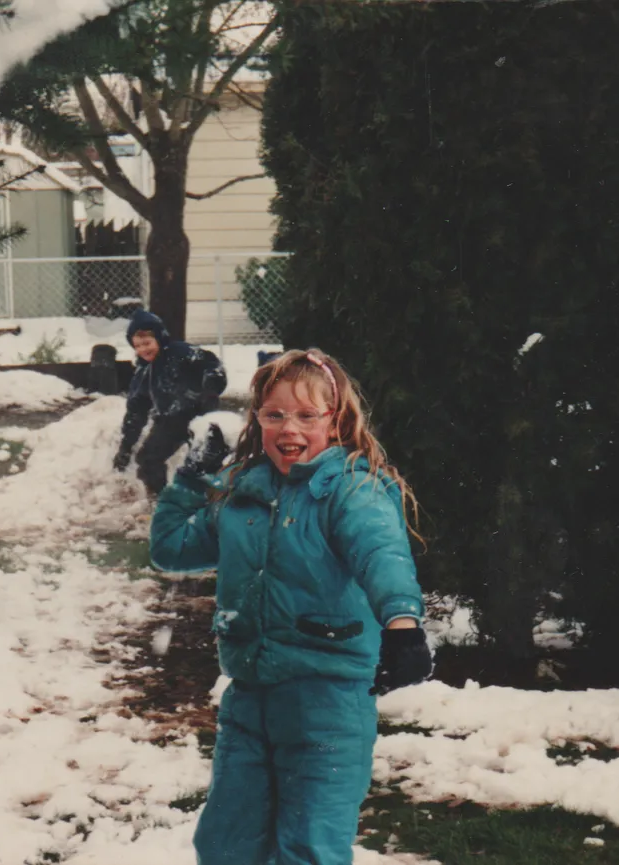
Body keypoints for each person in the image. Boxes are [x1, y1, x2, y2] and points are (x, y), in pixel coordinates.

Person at [150, 348, 434, 865]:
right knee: (227, 844)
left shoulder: (351, 488)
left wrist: (401, 623)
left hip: (328, 701)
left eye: (307, 415)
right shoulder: (243, 493)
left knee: (309, 847)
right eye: (275, 414)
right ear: (257, 418)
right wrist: (191, 478)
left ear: (336, 419)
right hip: (250, 696)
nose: (290, 429)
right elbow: (170, 548)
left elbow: (380, 552)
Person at [114, 310, 227, 495]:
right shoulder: (143, 373)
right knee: (148, 459)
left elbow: (212, 365)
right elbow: (136, 410)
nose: (143, 349)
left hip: (199, 412)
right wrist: (126, 447)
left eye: (147, 343)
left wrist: (211, 390)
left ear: (159, 337)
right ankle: (160, 500)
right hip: (169, 421)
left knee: (204, 459)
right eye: (138, 345)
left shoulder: (179, 352)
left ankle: (210, 498)